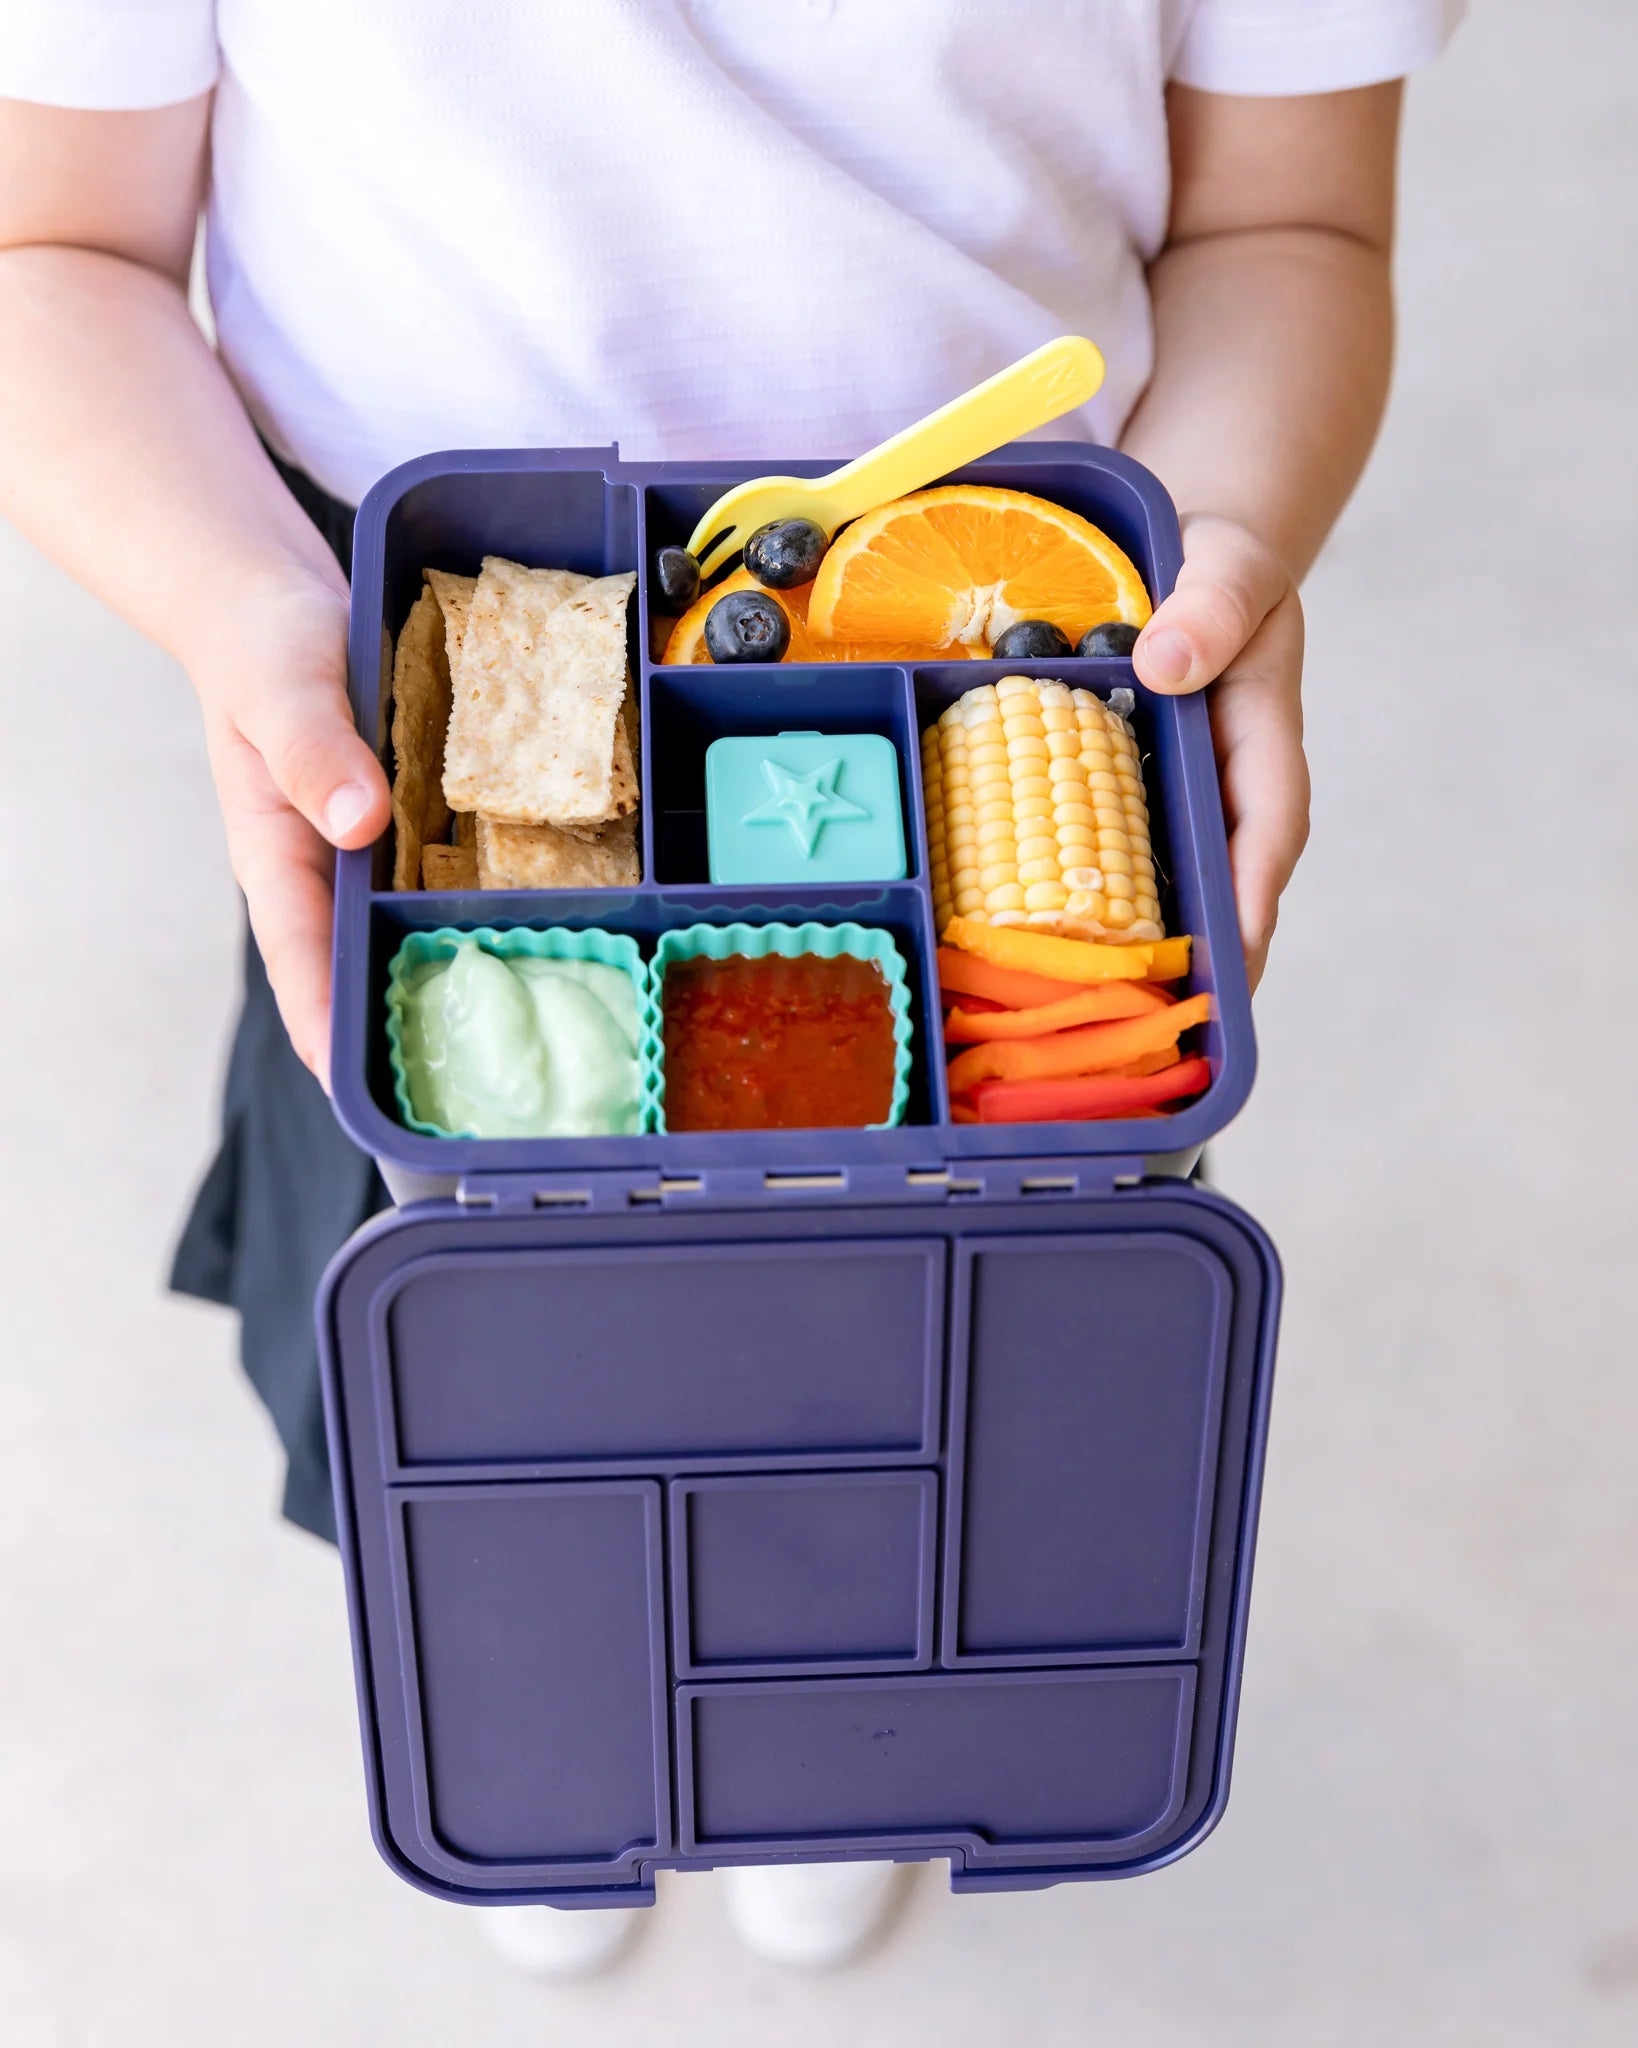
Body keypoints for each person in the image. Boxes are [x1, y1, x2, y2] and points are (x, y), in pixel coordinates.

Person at [0, 0, 1462, 1978]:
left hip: (998, 598)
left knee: (925, 1380)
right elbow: (54, 246)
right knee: (479, 1399)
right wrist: (241, 604)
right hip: (381, 585)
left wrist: (1229, 541)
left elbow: (1292, 223)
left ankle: (838, 1747)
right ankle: (546, 1740)